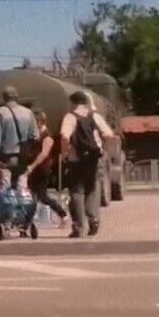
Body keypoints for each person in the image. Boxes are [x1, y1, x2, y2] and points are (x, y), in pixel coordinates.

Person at [61, 91, 114, 238]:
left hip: (75, 161)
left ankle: (79, 227)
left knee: (77, 192)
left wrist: (64, 153)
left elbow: (65, 136)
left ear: (73, 103)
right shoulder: (94, 116)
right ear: (85, 102)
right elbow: (109, 134)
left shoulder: (70, 117)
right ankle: (93, 220)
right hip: (93, 160)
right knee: (92, 190)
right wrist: (104, 151)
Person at [0, 86, 39, 189]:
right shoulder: (28, 112)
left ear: (4, 97)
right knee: (22, 186)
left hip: (6, 157)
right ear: (17, 97)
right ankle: (22, 203)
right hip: (23, 157)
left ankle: (8, 205)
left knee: (5, 187)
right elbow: (35, 135)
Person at [26, 111, 67, 225]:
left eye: (34, 122)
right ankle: (27, 221)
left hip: (43, 169)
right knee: (31, 196)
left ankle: (62, 213)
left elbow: (44, 154)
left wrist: (32, 166)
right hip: (34, 170)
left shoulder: (47, 136)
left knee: (42, 196)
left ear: (40, 122)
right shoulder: (35, 135)